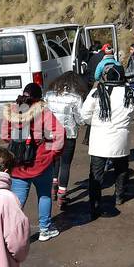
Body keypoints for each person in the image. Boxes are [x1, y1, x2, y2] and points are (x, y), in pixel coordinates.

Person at [1, 83, 64, 242]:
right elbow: (59, 134)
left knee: (17, 201)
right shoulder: (43, 112)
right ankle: (45, 229)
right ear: (39, 98)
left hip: (18, 164)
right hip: (41, 163)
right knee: (44, 196)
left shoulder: (12, 111)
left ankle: (11, 234)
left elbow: (4, 135)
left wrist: (17, 145)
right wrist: (52, 153)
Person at [80, 63, 134, 219]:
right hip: (120, 138)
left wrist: (97, 123)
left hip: (100, 138)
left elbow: (85, 115)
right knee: (121, 169)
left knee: (96, 174)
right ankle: (119, 195)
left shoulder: (96, 92)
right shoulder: (130, 93)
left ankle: (95, 205)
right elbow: (132, 114)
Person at [44, 72, 88, 205]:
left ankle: (53, 187)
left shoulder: (49, 95)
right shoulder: (76, 98)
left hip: (50, 133)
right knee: (65, 164)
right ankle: (62, 194)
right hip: (68, 134)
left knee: (53, 161)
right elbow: (80, 120)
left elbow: (44, 113)